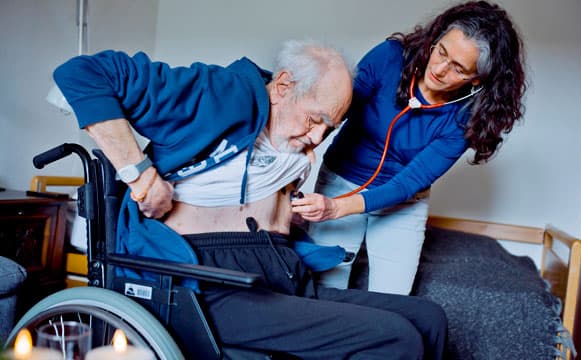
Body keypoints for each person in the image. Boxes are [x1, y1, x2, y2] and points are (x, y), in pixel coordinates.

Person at [53, 40, 447, 359]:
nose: (316, 139)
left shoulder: (285, 140)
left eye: (329, 128)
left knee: (428, 319)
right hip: (205, 282)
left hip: (275, 272)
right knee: (394, 338)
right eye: (315, 120)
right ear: (283, 86)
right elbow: (82, 73)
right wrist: (140, 173)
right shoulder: (218, 93)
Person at [293, 1, 527, 295]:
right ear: (437, 37)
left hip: (402, 203)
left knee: (392, 299)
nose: (440, 69)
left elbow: (408, 183)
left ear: (476, 79)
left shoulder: (467, 119)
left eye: (457, 68)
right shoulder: (390, 58)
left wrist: (336, 208)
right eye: (441, 51)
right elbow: (337, 110)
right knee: (324, 287)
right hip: (342, 178)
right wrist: (300, 152)